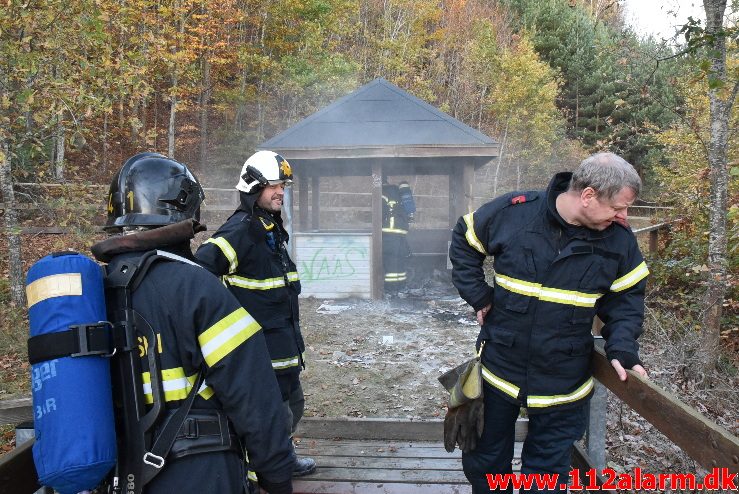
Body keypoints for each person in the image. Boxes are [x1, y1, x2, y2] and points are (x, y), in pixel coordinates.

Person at [91, 153, 294, 494]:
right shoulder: (195, 287)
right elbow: (253, 393)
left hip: (117, 472)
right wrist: (276, 476)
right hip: (200, 470)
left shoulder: (96, 289)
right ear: (186, 208)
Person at [448, 152, 649, 493]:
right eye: (618, 207)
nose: (623, 216)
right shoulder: (514, 212)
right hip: (499, 371)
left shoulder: (619, 240)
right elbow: (465, 241)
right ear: (587, 196)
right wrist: (480, 296)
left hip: (564, 383)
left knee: (547, 476)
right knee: (485, 460)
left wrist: (623, 348)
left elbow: (628, 299)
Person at [194, 150, 316, 477]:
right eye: (273, 186)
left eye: (283, 186)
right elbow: (202, 270)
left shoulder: (270, 230)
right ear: (253, 188)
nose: (280, 192)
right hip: (260, 350)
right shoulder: (241, 230)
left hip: (284, 346)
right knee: (268, 414)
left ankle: (279, 459)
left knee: (292, 408)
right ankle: (257, 471)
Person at [382, 177, 415, 295]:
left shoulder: (383, 193)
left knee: (390, 260)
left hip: (389, 233)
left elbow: (380, 213)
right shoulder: (398, 193)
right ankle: (401, 285)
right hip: (401, 233)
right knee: (400, 259)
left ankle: (391, 288)